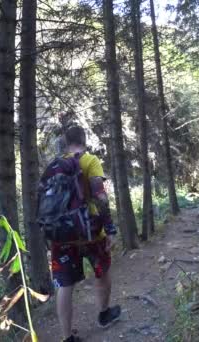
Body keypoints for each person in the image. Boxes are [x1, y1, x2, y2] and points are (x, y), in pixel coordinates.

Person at [51, 125, 121, 342]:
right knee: (102, 271)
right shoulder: (89, 160)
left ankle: (66, 337)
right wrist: (110, 229)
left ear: (66, 141)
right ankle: (104, 314)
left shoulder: (54, 165)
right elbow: (100, 196)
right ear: (84, 140)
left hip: (61, 234)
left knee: (65, 284)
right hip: (90, 230)